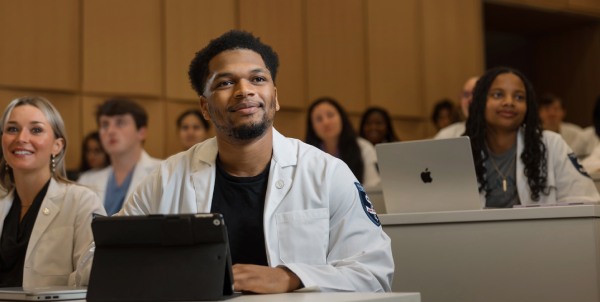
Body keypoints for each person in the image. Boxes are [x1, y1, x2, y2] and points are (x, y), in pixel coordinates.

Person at [118, 30, 393, 293]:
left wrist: (292, 277)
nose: (244, 90)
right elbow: (103, 257)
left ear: (275, 97)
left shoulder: (328, 173)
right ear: (204, 107)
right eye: (225, 82)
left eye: (258, 79)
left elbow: (374, 273)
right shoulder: (165, 179)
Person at [0, 96, 105, 288]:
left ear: (57, 145)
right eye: (12, 129)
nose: (21, 138)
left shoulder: (81, 201)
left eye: (36, 130)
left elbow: (96, 276)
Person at [463, 67, 599, 208]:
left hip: (543, 230)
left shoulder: (552, 144)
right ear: (480, 101)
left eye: (519, 97)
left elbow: (586, 201)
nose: (509, 102)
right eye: (498, 95)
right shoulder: (461, 151)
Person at [77, 98, 161, 215]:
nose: (110, 131)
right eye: (105, 125)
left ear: (141, 132)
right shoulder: (86, 180)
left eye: (120, 123)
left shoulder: (163, 172)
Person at [306, 97, 381, 190]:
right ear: (312, 127)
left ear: (341, 118)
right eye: (319, 119)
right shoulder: (306, 154)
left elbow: (372, 188)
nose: (326, 122)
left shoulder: (363, 148)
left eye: (330, 115)